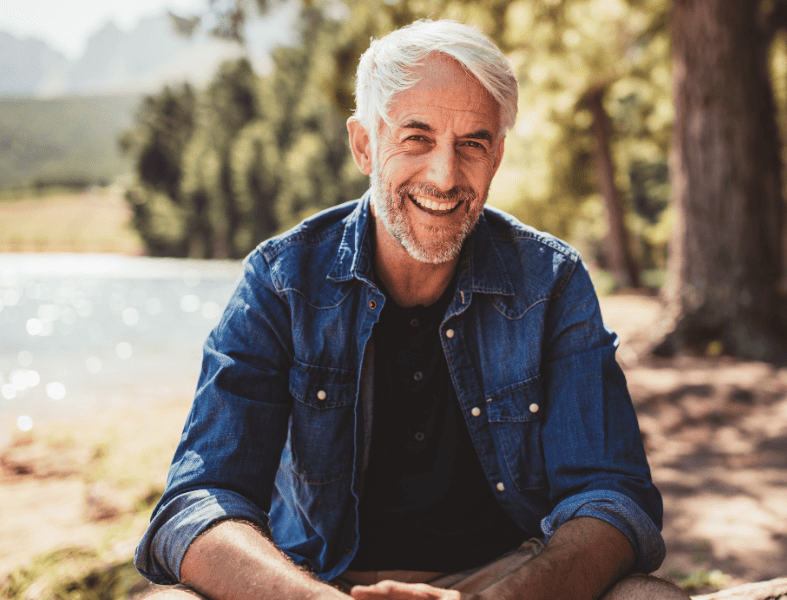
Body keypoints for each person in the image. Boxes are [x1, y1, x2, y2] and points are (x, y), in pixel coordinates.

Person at [135, 19, 689, 600]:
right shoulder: (280, 282)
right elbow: (198, 502)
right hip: (315, 582)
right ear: (364, 144)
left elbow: (612, 495)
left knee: (650, 598)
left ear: (497, 155)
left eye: (472, 142)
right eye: (416, 137)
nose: (445, 176)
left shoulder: (551, 282)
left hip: (509, 580)